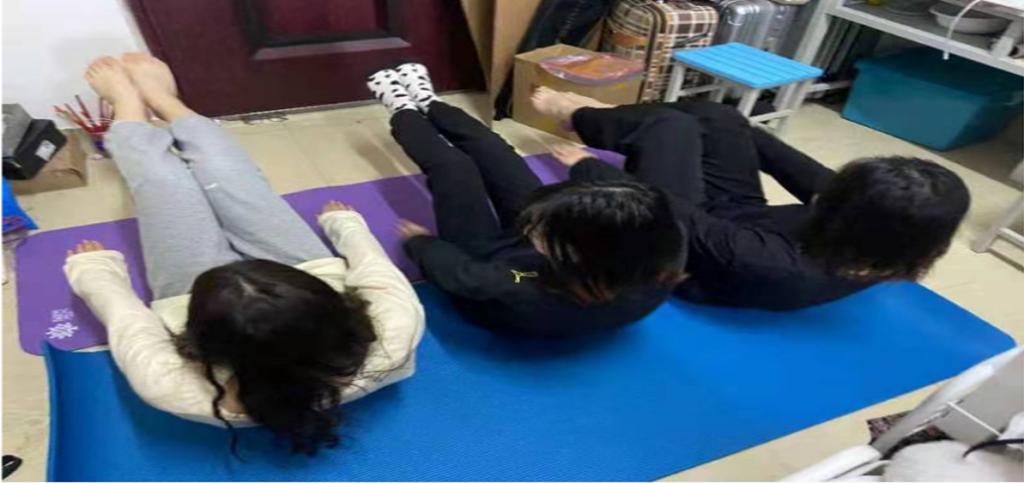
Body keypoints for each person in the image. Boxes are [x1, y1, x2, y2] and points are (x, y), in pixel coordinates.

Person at [65, 54, 425, 455]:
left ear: (202, 341)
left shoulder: (176, 391)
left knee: (164, 185)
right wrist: (346, 226)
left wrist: (94, 271)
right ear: (335, 310)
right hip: (305, 267)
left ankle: (129, 109)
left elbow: (130, 325)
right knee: (227, 174)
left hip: (184, 294)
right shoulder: (394, 337)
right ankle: (166, 103)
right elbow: (376, 272)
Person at [529, 88, 971, 310]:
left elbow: (674, 214)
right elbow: (800, 171)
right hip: (743, 216)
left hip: (686, 248)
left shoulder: (772, 263)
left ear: (846, 216)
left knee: (670, 127)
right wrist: (741, 133)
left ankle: (580, 117)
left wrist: (588, 168)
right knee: (717, 116)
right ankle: (600, 119)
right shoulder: (890, 237)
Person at [369, 63, 687, 335]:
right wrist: (585, 164)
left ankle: (402, 108)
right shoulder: (656, 241)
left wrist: (422, 244)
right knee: (496, 151)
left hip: (486, 264)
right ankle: (430, 103)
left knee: (454, 168)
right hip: (561, 258)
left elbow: (469, 278)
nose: (530, 225)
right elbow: (627, 195)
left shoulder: (530, 286)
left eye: (541, 232)